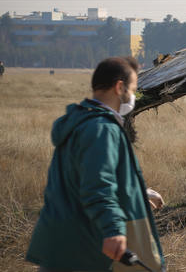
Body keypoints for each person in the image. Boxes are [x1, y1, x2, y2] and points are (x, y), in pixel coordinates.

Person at [26, 57, 166, 272]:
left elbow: (84, 177)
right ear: (119, 87)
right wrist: (113, 231)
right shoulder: (102, 129)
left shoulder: (81, 122)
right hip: (85, 248)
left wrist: (139, 192)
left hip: (65, 242)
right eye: (133, 89)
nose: (133, 96)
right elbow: (97, 186)